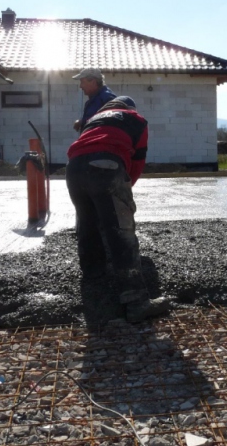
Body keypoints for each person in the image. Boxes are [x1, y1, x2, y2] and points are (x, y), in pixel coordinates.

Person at [66, 96, 171, 322]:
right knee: (121, 231)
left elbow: (85, 147)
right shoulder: (135, 119)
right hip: (106, 165)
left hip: (73, 169)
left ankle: (94, 281)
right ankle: (136, 302)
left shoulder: (93, 119)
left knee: (87, 223)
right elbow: (138, 160)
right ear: (130, 108)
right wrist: (123, 188)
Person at [71, 68, 116, 132]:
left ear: (93, 82)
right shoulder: (93, 99)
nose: (80, 86)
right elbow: (95, 117)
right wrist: (82, 122)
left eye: (82, 82)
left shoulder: (107, 98)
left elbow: (110, 123)